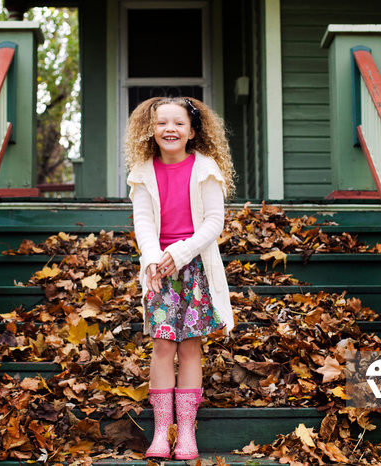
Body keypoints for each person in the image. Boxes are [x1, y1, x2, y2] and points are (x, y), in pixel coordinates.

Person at [125, 96, 235, 460]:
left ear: (192, 130)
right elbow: (143, 221)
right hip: (160, 271)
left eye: (178, 123)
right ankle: (161, 433)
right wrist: (154, 258)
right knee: (162, 346)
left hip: (196, 268)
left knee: (190, 347)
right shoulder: (143, 171)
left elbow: (213, 223)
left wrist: (181, 253)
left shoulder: (205, 168)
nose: (169, 129)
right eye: (161, 123)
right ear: (151, 129)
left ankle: (186, 433)